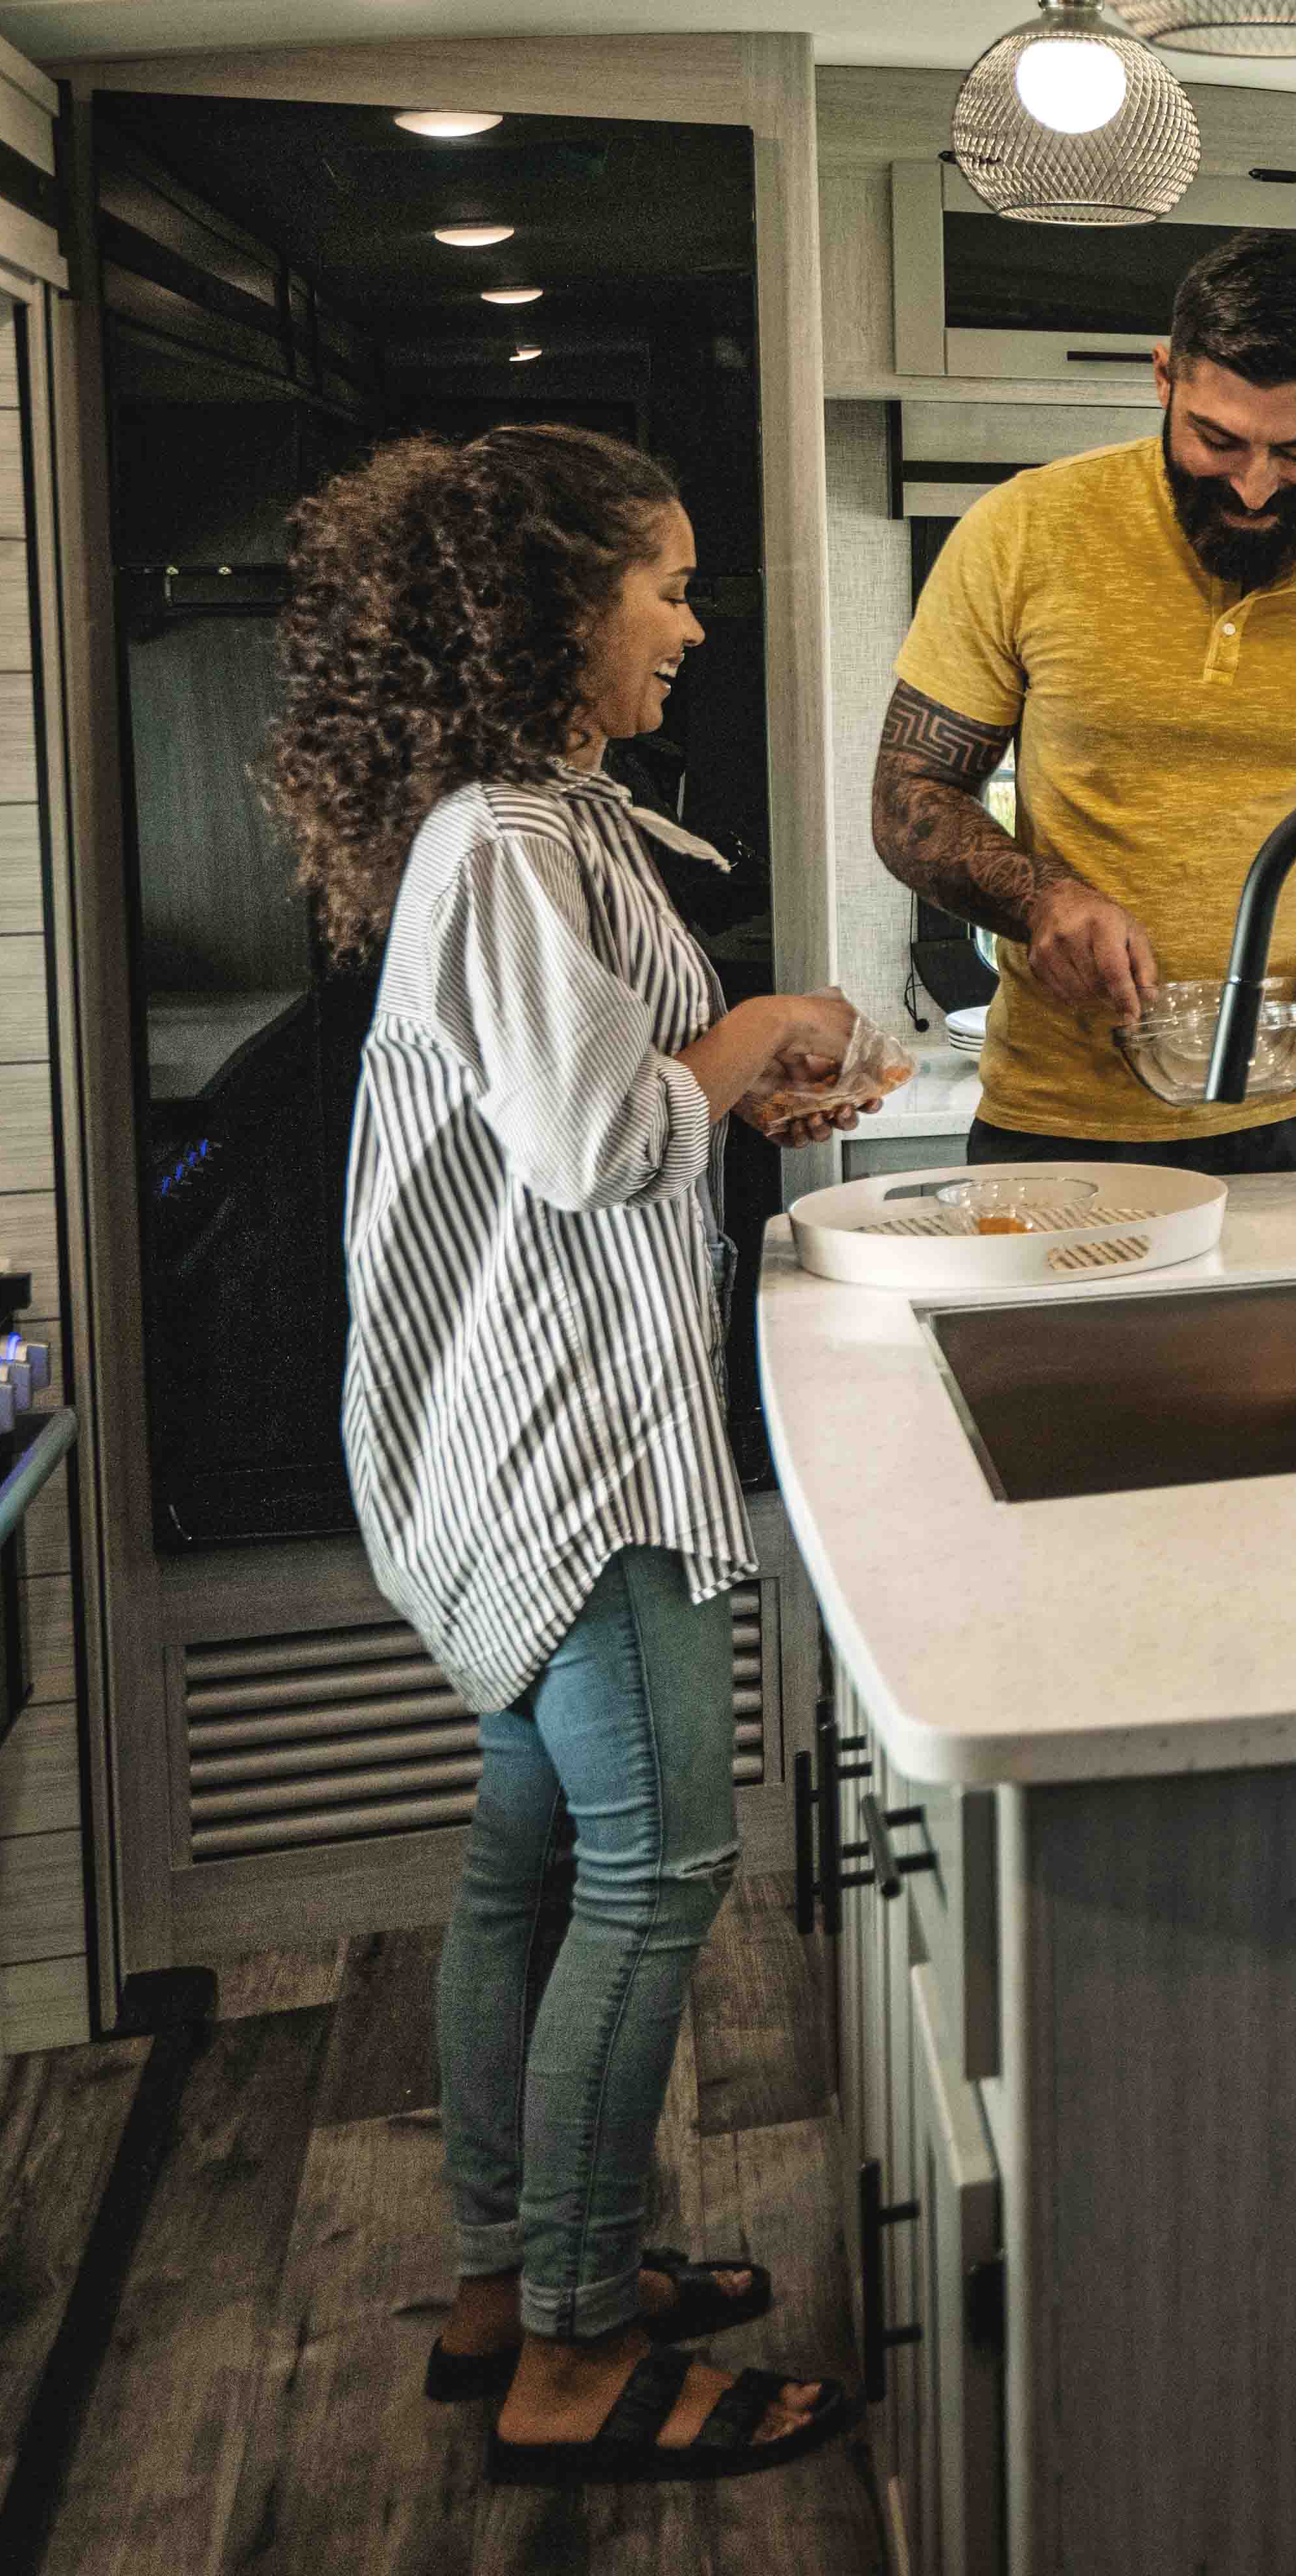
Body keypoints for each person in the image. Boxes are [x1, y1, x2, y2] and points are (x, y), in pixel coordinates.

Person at [274, 424, 880, 2487]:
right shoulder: (497, 851)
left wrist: (745, 1085)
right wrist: (759, 1027)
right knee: (659, 1873)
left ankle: (505, 2273)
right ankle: (575, 2346)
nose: (693, 626)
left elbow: (627, 1104)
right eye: (670, 585)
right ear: (560, 603)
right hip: (564, 1450)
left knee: (532, 1861)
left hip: (529, 1430)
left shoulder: (538, 825)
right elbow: (597, 1137)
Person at [872, 228, 1296, 1173]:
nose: (1255, 484)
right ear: (1164, 379)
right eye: (1218, 439)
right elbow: (909, 793)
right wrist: (1040, 901)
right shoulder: (1022, 535)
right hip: (1069, 1118)